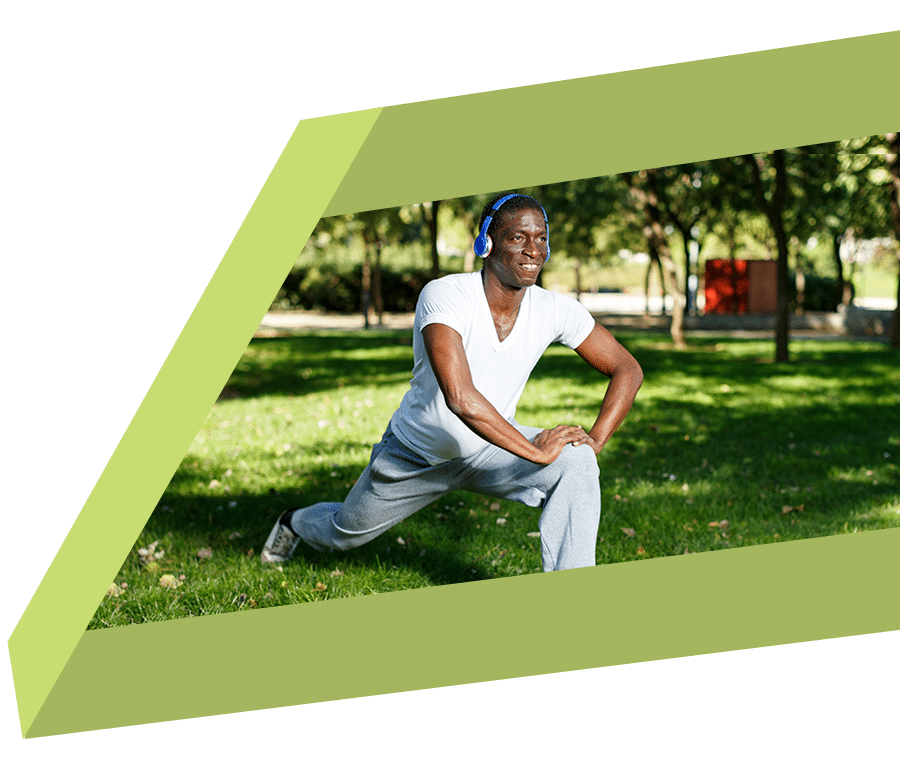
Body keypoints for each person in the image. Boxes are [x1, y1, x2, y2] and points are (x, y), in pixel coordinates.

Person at [261, 193, 643, 572]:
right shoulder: (446, 295)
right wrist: (536, 452)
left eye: (541, 238)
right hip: (417, 455)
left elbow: (627, 368)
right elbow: (460, 397)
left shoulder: (555, 309)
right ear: (486, 243)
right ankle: (293, 523)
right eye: (518, 238)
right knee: (344, 532)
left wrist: (594, 441)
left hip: (493, 449)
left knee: (576, 461)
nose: (533, 250)